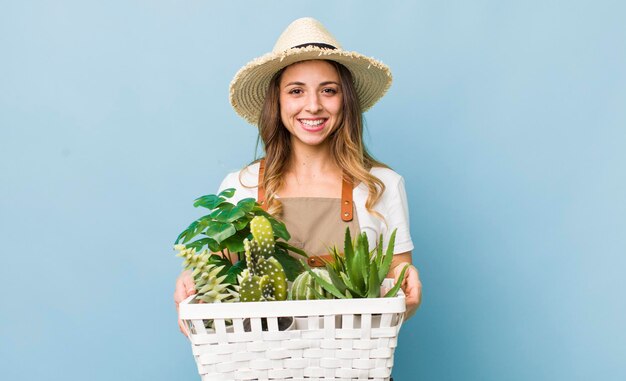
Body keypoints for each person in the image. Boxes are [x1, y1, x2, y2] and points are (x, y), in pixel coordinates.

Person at [174, 17, 422, 334]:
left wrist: (410, 296)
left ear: (345, 100)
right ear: (276, 102)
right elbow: (213, 299)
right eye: (296, 91)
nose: (313, 106)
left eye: (328, 90)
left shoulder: (382, 186)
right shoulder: (241, 187)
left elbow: (397, 299)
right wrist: (192, 288)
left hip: (356, 366)